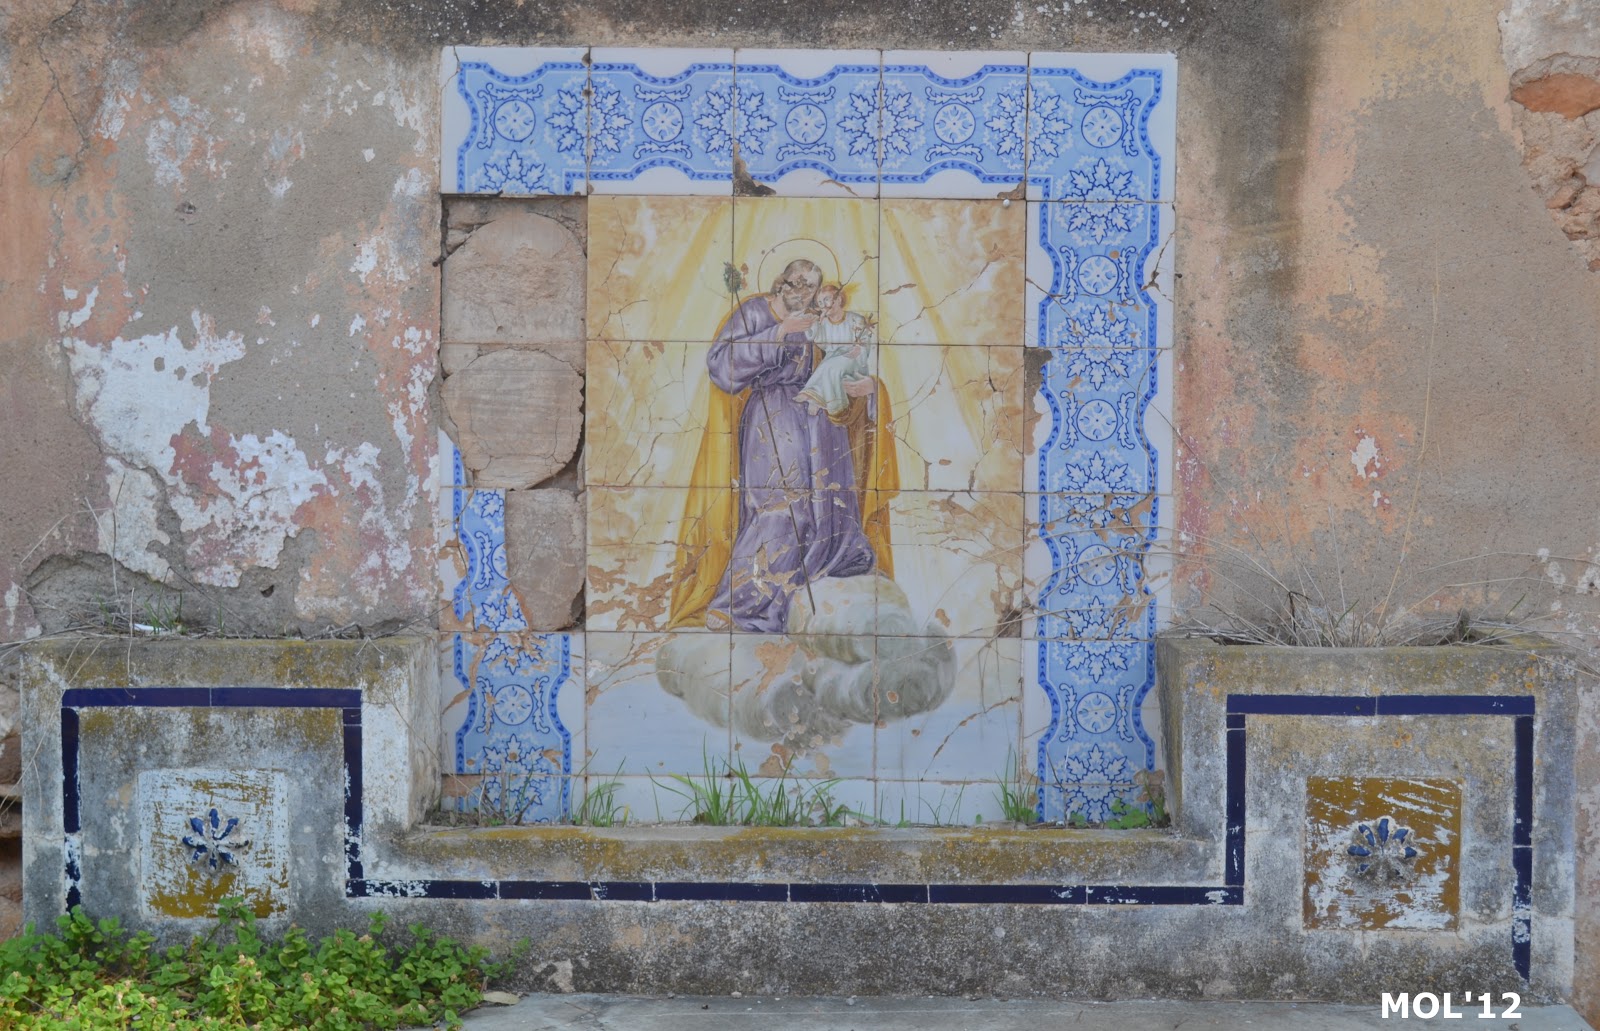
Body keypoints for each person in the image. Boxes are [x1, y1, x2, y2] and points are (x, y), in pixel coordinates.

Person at [667, 258, 899, 633]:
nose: (803, 293)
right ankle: (742, 603)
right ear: (780, 283)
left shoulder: (821, 321)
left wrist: (869, 388)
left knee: (831, 508)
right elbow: (721, 365)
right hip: (773, 418)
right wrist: (779, 331)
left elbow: (842, 362)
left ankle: (810, 602)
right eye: (797, 283)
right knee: (779, 508)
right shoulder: (754, 312)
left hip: (822, 424)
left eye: (811, 287)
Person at [796, 283, 875, 418]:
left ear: (838, 299)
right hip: (834, 357)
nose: (824, 305)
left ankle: (828, 402)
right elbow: (820, 343)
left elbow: (865, 341)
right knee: (829, 365)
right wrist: (815, 324)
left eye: (826, 299)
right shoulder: (824, 323)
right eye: (820, 303)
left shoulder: (855, 319)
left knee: (830, 367)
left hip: (854, 358)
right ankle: (817, 397)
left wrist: (859, 348)